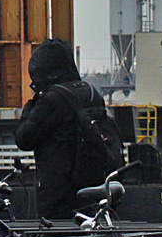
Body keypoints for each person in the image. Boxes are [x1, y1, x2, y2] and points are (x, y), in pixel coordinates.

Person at [13, 38, 104, 220]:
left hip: (58, 189)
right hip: (90, 182)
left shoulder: (53, 99)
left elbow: (24, 138)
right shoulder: (91, 93)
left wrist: (33, 101)